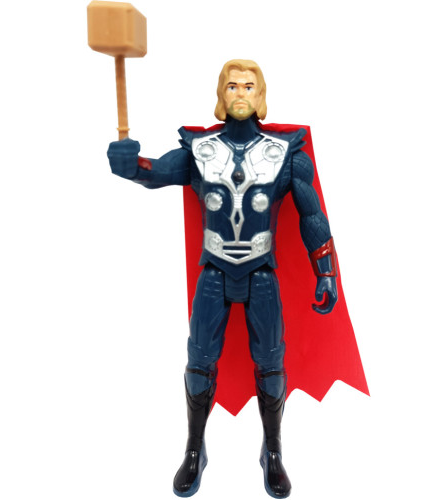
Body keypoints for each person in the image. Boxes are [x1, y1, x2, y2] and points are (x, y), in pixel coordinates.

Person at [107, 59, 338, 499]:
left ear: (260, 96)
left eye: (249, 86)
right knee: (199, 361)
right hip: (213, 270)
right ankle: (195, 448)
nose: (240, 93)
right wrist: (129, 164)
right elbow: (155, 172)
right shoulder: (201, 151)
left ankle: (273, 450)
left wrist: (325, 271)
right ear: (221, 95)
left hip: (262, 271)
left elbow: (311, 215)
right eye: (232, 86)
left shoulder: (286, 154)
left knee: (271, 363)